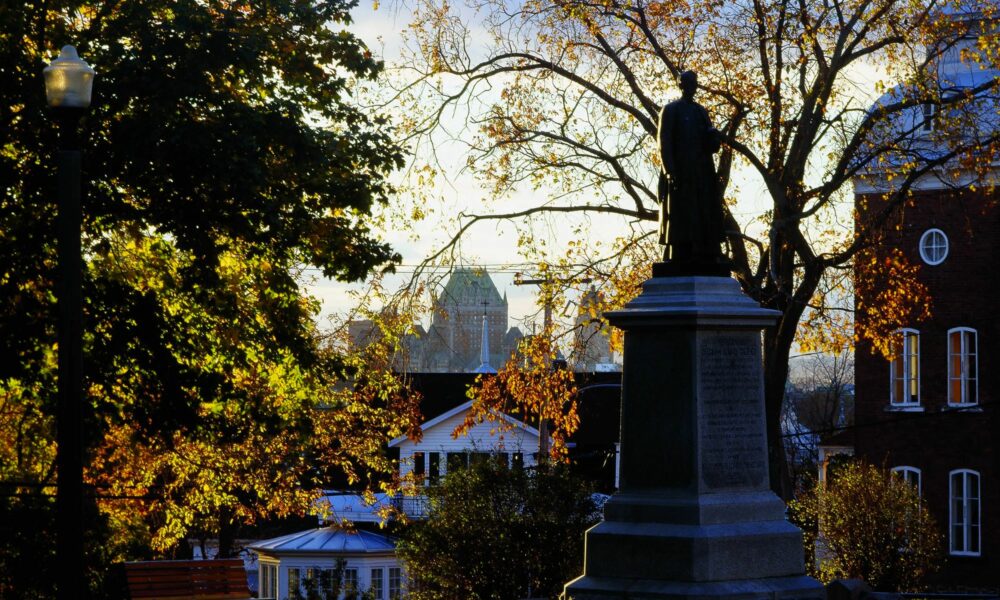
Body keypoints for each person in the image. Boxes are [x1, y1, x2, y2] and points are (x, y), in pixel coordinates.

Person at [657, 71, 728, 272]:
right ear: (681, 85)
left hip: (703, 171)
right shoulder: (670, 110)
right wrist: (670, 170)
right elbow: (664, 142)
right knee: (682, 214)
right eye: (688, 83)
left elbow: (711, 145)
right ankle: (681, 252)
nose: (692, 87)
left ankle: (707, 251)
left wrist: (714, 138)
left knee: (705, 211)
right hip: (681, 171)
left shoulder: (701, 111)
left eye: (695, 83)